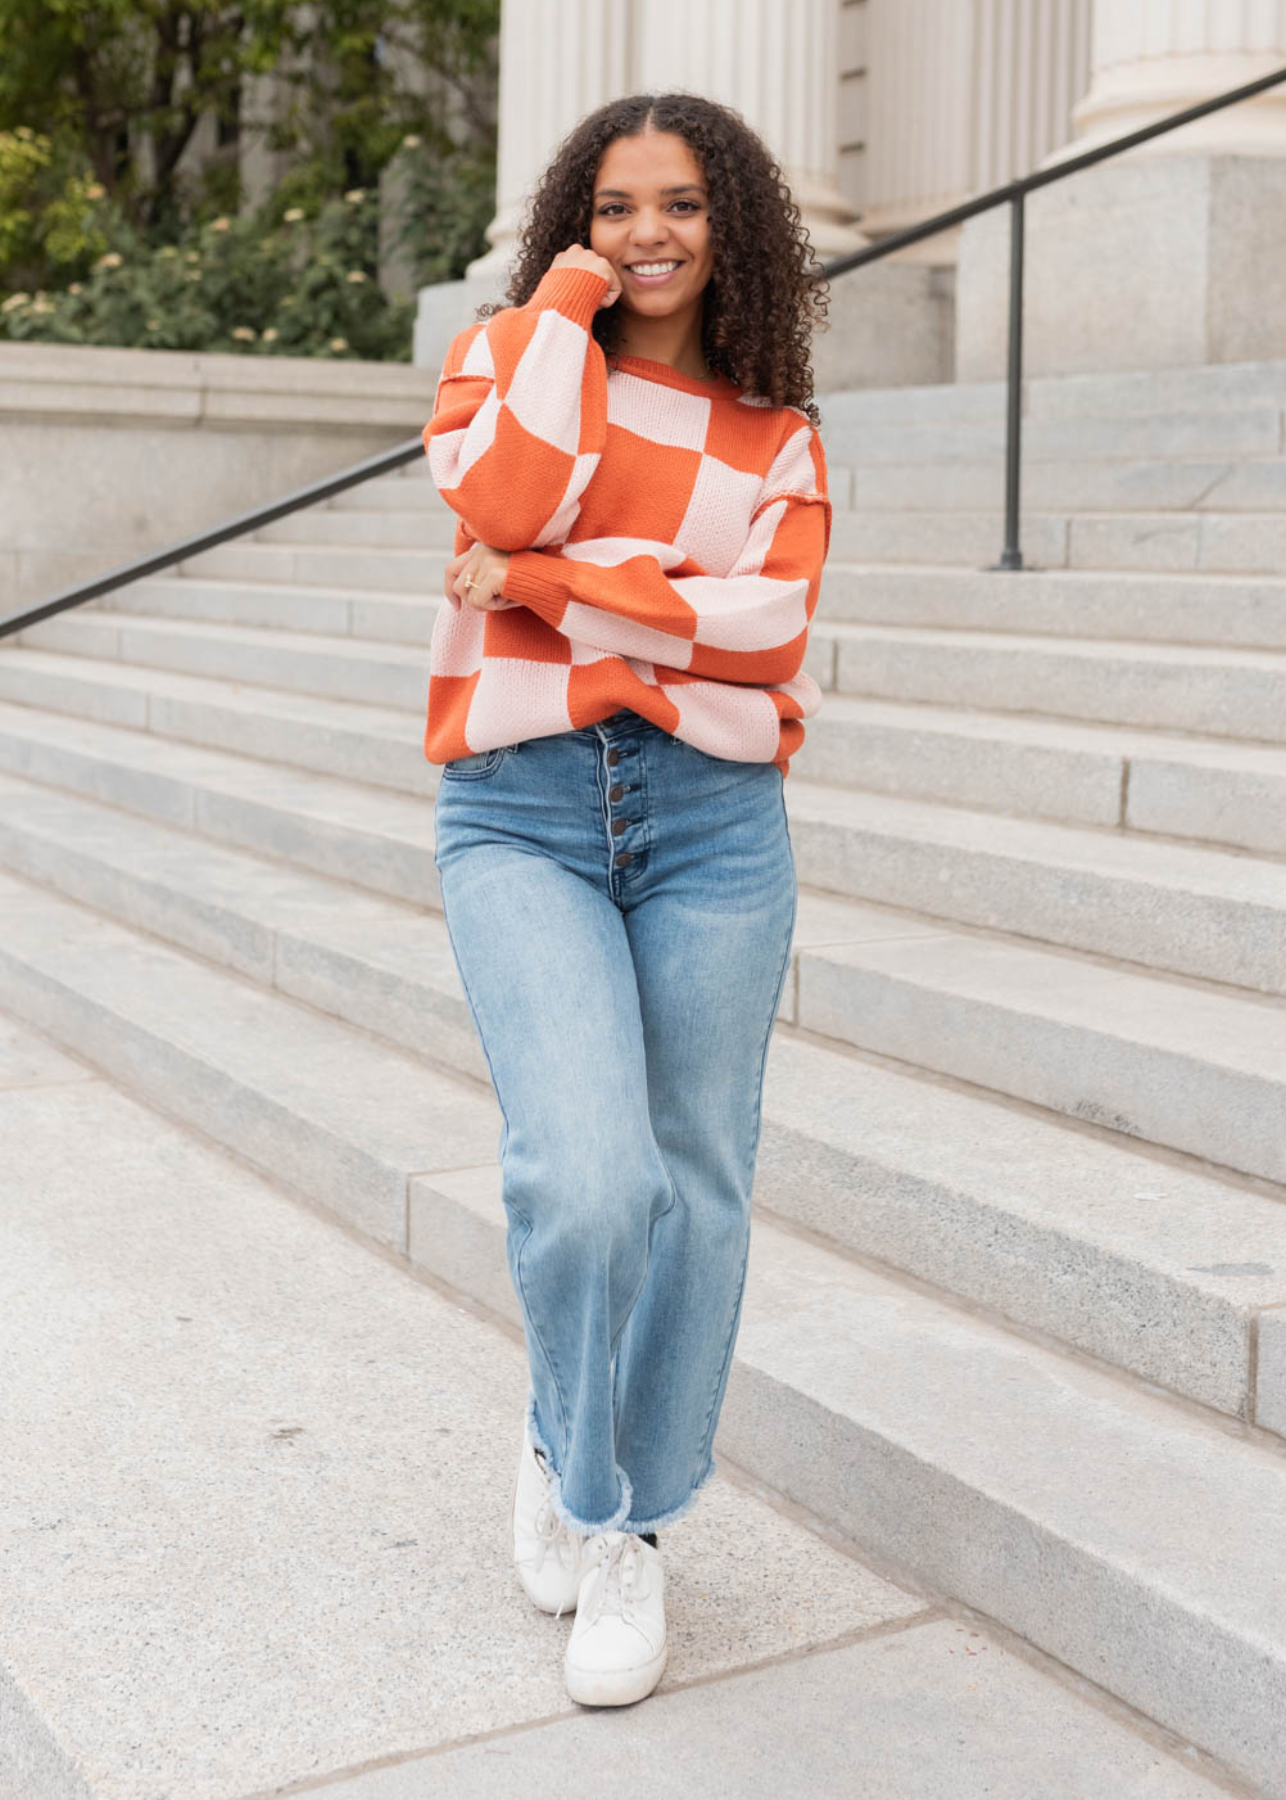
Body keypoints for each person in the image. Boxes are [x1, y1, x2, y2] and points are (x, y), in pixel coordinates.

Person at [421, 90, 832, 1709]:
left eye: (680, 204)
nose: (648, 233)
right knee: (584, 1179)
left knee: (694, 1182)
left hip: (713, 823)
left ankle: (632, 1532)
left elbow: (760, 635)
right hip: (521, 814)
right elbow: (505, 495)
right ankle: (565, 1457)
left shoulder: (774, 429)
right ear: (572, 226)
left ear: (731, 223)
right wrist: (563, 312)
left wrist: (544, 592)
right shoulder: (510, 352)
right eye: (613, 208)